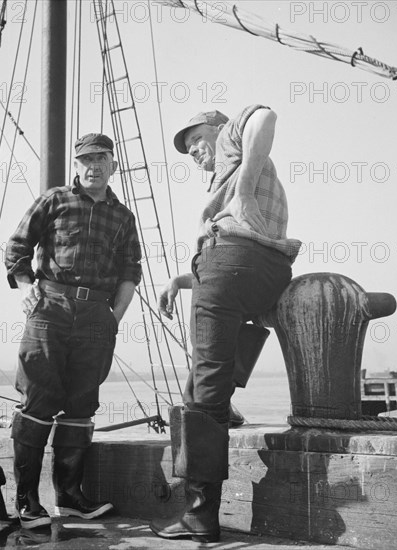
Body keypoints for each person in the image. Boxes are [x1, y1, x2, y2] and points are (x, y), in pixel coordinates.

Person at [150, 106, 301, 542]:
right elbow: (238, 254)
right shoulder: (228, 171)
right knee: (212, 372)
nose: (195, 150)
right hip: (267, 269)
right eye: (189, 148)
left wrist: (246, 189)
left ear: (218, 129)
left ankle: (199, 515)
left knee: (202, 392)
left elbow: (266, 116)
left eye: (198, 138)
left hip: (229, 265)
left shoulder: (234, 145)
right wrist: (183, 279)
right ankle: (226, 409)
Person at [5, 133, 142, 529]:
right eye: (85, 159)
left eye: (101, 158)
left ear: (113, 165)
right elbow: (17, 247)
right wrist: (28, 288)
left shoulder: (123, 217)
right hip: (51, 309)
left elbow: (131, 270)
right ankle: (27, 502)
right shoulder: (54, 200)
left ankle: (70, 499)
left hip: (97, 315)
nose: (93, 166)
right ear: (76, 165)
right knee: (38, 400)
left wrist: (113, 315)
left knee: (82, 404)